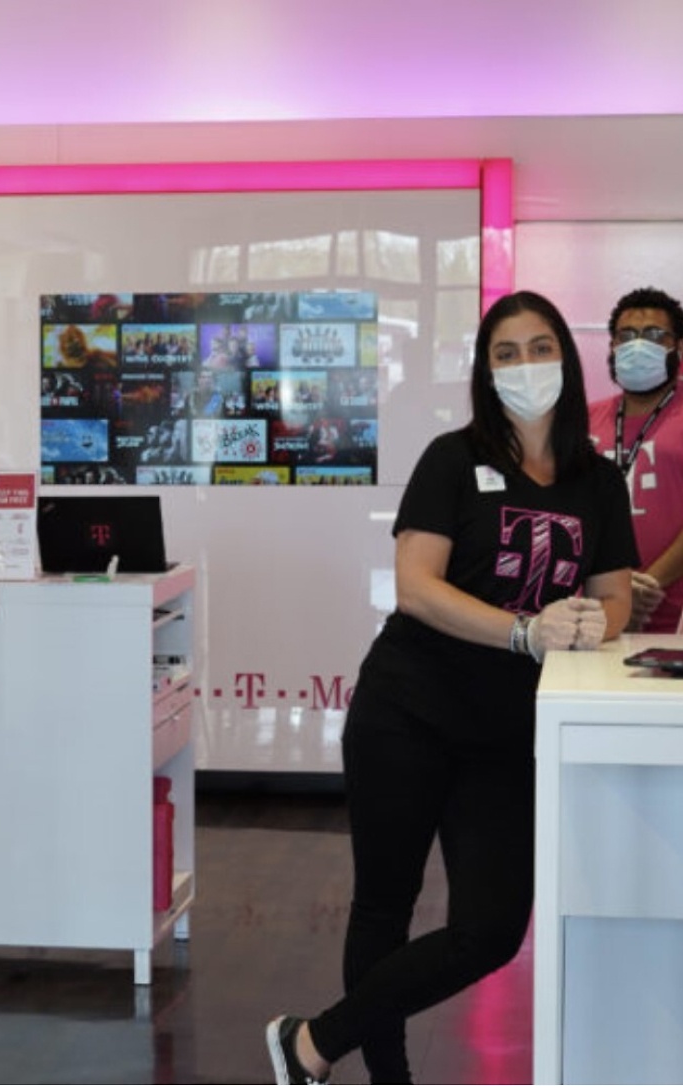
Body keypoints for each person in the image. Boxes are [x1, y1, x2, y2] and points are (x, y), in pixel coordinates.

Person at [266, 291, 637, 1086]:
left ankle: (310, 1044)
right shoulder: (451, 458)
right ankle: (385, 1076)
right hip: (409, 709)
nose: (525, 366)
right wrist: (523, 629)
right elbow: (416, 588)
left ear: (566, 364)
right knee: (384, 906)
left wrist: (589, 623)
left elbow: (614, 594)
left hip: (507, 732)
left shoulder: (597, 482)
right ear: (484, 370)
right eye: (505, 353)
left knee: (493, 927)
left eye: (540, 348)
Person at [587, 287, 683, 634]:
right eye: (626, 336)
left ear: (679, 347)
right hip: (595, 615)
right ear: (612, 347)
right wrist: (614, 595)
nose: (638, 345)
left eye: (655, 335)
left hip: (673, 619)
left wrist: (645, 586)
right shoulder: (584, 420)